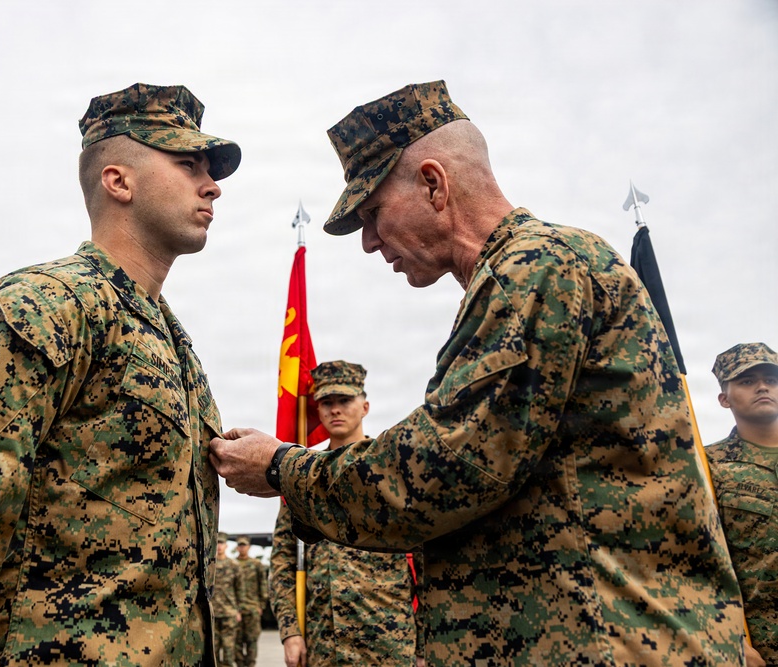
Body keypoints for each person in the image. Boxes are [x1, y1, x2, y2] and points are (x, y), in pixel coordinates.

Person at [209, 80, 748, 664]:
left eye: (373, 213)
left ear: (434, 184)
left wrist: (282, 466)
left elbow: (437, 472)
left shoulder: (535, 270)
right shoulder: (527, 273)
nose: (369, 243)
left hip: (601, 642)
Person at [0, 83, 241, 666]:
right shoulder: (46, 306)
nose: (212, 185)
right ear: (119, 181)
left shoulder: (169, 338)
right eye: (188, 164)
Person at [270, 361, 421, 667]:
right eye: (326, 403)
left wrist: (425, 645)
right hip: (323, 641)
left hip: (389, 639)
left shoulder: (389, 467)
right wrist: (290, 632)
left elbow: (424, 556)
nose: (335, 410)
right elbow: (284, 557)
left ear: (364, 406)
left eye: (344, 401)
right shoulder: (300, 473)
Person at [706, 342, 778, 666]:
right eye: (747, 381)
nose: (762, 387)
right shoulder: (706, 466)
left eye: (771, 380)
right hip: (760, 648)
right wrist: (730, 639)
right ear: (724, 398)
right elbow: (695, 558)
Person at [233, 535, 267, 667]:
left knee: (252, 640)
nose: (242, 547)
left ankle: (251, 665)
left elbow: (263, 585)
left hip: (253, 607)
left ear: (249, 547)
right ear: (237, 547)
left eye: (244, 545)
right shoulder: (233, 564)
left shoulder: (256, 565)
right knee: (237, 641)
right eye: (240, 545)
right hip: (237, 609)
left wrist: (261, 605)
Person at [214, 533, 245, 667]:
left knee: (228, 649)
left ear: (226, 546)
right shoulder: (209, 565)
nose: (219, 546)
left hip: (229, 612)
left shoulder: (234, 565)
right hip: (212, 613)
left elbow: (240, 589)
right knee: (212, 649)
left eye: (221, 543)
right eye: (217, 543)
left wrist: (239, 610)